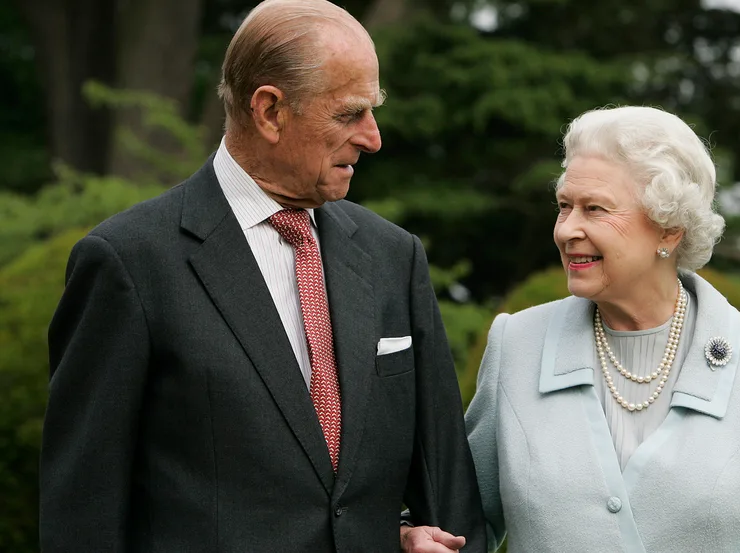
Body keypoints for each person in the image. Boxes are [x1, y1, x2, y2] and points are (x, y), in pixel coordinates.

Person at [40, 1, 486, 551]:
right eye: (349, 114)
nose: (373, 138)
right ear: (270, 111)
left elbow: (446, 490)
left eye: (373, 111)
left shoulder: (394, 256)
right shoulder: (128, 262)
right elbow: (83, 514)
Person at [405, 106, 740, 553]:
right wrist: (412, 535)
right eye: (565, 206)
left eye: (596, 209)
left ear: (669, 230)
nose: (568, 230)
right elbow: (460, 522)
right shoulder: (517, 345)